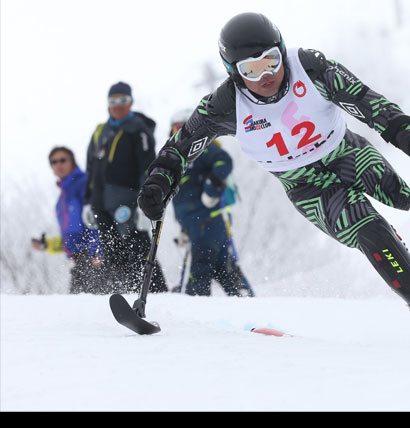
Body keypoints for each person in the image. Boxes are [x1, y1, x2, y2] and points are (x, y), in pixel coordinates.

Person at [138, 12, 410, 350]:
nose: (266, 75)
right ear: (233, 72)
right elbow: (179, 148)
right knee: (370, 232)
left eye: (271, 60)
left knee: (399, 195)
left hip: (346, 153)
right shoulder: (226, 105)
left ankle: (397, 249)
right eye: (251, 69)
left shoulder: (310, 67)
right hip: (307, 186)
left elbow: (366, 101)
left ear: (281, 49)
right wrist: (159, 181)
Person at [84, 81, 168, 293]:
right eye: (113, 101)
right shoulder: (100, 132)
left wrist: (145, 204)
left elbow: (147, 170)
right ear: (107, 104)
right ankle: (122, 295)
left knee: (139, 249)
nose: (118, 105)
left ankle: (159, 294)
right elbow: (91, 169)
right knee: (113, 255)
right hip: (101, 204)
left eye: (123, 100)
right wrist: (87, 201)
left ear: (131, 102)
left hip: (128, 204)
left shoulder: (139, 131)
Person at [169, 108, 254, 296]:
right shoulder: (177, 158)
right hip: (195, 224)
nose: (182, 132)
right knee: (222, 264)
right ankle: (245, 300)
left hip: (208, 219)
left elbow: (223, 161)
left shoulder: (202, 148)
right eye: (177, 128)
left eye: (185, 127)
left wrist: (211, 187)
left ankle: (196, 305)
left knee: (201, 265)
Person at [31, 147, 105, 293]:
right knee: (76, 308)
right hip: (80, 261)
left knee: (100, 306)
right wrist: (48, 244)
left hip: (95, 258)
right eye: (54, 162)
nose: (59, 165)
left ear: (72, 162)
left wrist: (97, 251)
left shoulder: (85, 183)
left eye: (63, 160)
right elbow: (72, 235)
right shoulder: (62, 199)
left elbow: (97, 218)